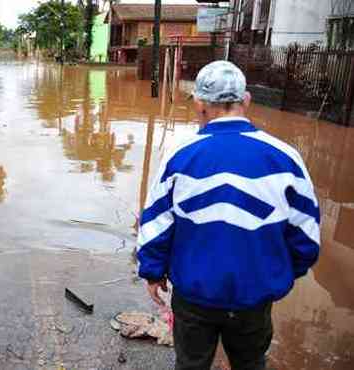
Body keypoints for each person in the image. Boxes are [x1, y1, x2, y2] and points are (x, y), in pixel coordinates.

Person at [136, 61, 320, 370]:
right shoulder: (286, 157)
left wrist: (153, 272)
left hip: (194, 296)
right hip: (255, 298)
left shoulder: (180, 156)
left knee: (191, 364)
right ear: (246, 100)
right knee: (250, 362)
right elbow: (307, 236)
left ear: (198, 103)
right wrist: (277, 274)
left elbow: (155, 225)